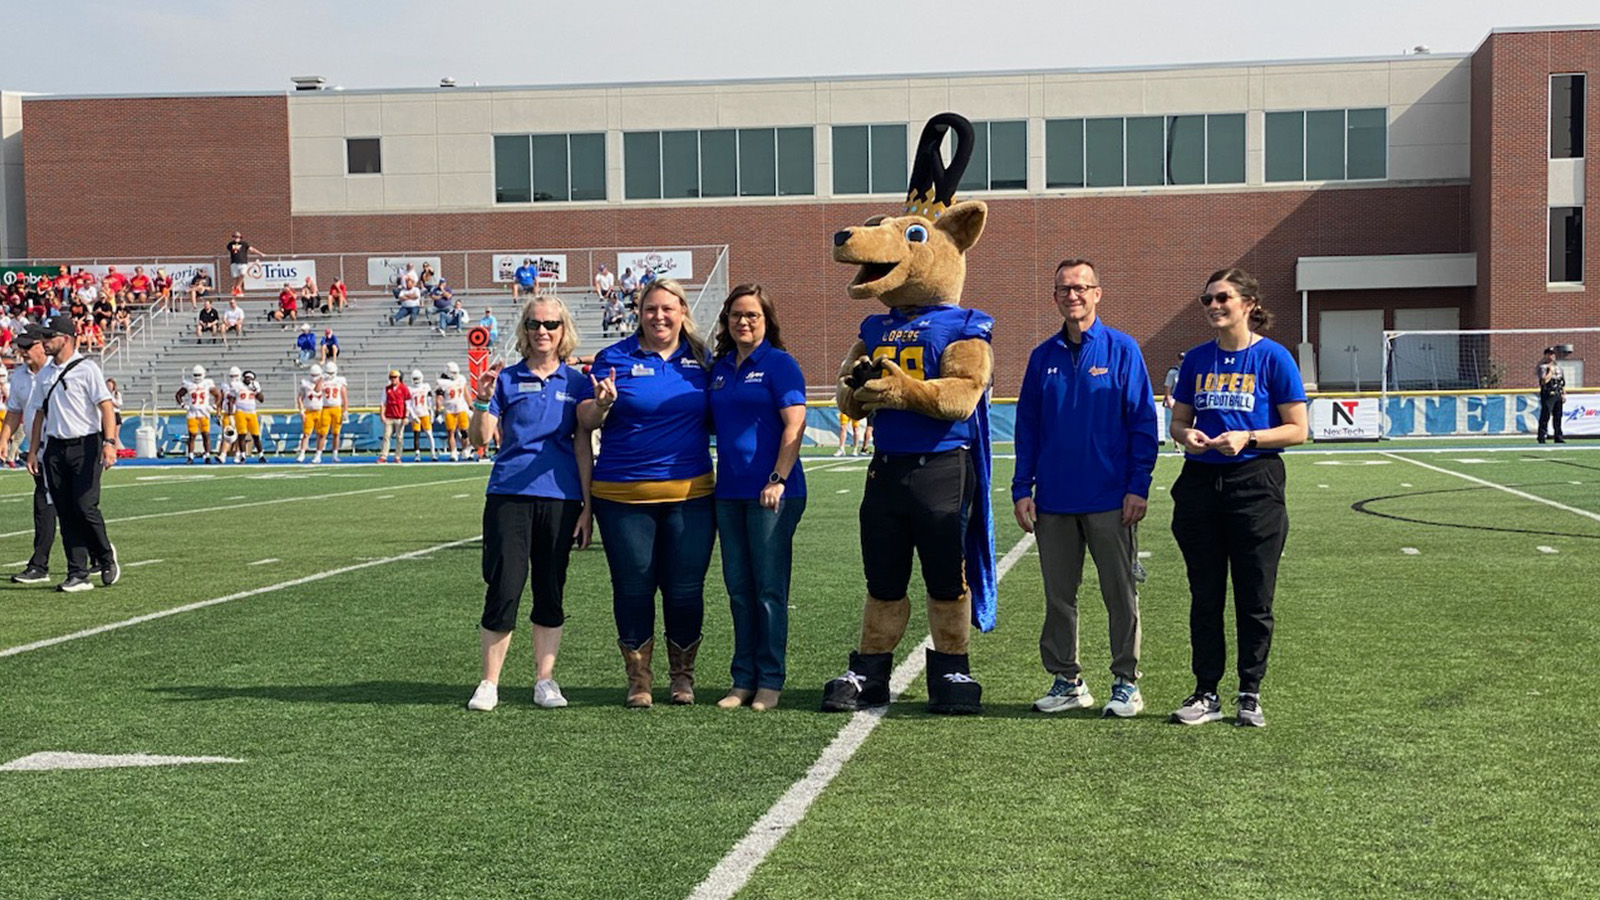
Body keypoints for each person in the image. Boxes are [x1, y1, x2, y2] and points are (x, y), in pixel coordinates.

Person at [1013, 259, 1159, 718]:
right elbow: (1027, 429)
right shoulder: (1042, 357)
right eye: (1063, 289)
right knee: (1059, 596)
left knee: (1119, 593)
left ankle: (1125, 681)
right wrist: (1022, 488)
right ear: (1054, 297)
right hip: (1054, 501)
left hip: (1111, 499)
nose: (1072, 295)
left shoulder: (1123, 349)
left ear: (1098, 293)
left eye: (1080, 287)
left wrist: (1138, 485)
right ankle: (1067, 680)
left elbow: (1141, 422)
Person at [1168, 267, 1308, 728]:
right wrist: (1187, 434)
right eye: (1207, 299)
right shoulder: (1196, 360)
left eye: (1222, 298)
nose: (1213, 306)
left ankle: (1250, 691)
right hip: (1200, 484)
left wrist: (1247, 437)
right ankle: (1205, 691)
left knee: (1254, 597)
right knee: (1205, 595)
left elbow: (1298, 430)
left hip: (1256, 484)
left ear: (1248, 303)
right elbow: (1178, 423)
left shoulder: (1274, 358)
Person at [576, 278, 714, 708]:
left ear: (682, 312)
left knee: (685, 589)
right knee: (633, 588)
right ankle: (638, 679)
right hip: (621, 496)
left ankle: (682, 676)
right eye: (650, 308)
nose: (659, 316)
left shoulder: (704, 359)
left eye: (667, 309)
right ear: (639, 312)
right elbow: (584, 419)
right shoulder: (613, 357)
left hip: (691, 493)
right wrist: (601, 403)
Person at [464, 295, 594, 712]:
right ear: (524, 329)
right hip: (509, 495)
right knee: (503, 588)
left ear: (563, 329)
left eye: (551, 324)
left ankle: (545, 680)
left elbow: (582, 447)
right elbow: (480, 439)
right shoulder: (504, 379)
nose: (543, 331)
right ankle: (489, 682)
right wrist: (482, 399)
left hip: (560, 498)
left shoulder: (577, 384)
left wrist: (587, 507)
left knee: (550, 590)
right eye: (536, 324)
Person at [707, 285, 807, 711]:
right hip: (728, 493)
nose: (743, 322)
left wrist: (776, 478)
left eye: (752, 315)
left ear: (767, 320)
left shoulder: (780, 364)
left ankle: (770, 679)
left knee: (768, 590)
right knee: (738, 589)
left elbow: (794, 425)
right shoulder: (719, 368)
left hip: (773, 493)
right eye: (735, 316)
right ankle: (742, 678)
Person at [26, 314, 119, 593]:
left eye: (48, 337)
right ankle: (77, 573)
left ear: (64, 339)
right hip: (55, 447)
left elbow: (105, 407)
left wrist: (110, 442)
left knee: (84, 506)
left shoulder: (87, 369)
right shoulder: (45, 374)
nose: (43, 342)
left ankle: (104, 554)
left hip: (86, 444)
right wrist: (33, 452)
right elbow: (39, 415)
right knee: (65, 511)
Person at [3, 327, 57, 585]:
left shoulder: (56, 371)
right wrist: (4, 438)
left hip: (66, 445)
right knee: (43, 505)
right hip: (41, 449)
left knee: (77, 507)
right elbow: (15, 410)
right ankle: (39, 564)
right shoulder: (20, 377)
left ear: (42, 345)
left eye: (27, 346)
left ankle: (99, 553)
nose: (22, 352)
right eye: (20, 347)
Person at [175, 364, 219, 463]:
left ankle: (207, 456)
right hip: (192, 412)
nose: (197, 377)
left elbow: (218, 395)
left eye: (199, 375)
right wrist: (183, 405)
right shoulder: (188, 384)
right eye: (195, 375)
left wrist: (214, 406)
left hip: (204, 412)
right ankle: (190, 456)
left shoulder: (208, 383)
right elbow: (178, 395)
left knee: (206, 435)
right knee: (192, 435)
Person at [437, 361, 472, 460]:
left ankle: (465, 450)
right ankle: (453, 452)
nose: (455, 375)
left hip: (461, 408)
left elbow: (465, 393)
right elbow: (439, 398)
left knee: (464, 431)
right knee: (451, 432)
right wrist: (439, 411)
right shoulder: (441, 382)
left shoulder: (461, 379)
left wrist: (470, 405)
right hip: (449, 410)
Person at [232, 370, 267, 462]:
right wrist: (232, 411)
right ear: (243, 377)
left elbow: (261, 399)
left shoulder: (255, 385)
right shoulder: (238, 385)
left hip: (252, 412)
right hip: (240, 412)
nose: (248, 379)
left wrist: (256, 391)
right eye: (247, 377)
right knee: (242, 434)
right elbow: (232, 398)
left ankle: (261, 455)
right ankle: (243, 455)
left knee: (256, 435)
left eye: (250, 378)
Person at [318, 360, 349, 462]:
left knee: (336, 433)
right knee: (323, 434)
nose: (330, 375)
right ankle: (318, 454)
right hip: (325, 408)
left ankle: (335, 454)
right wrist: (321, 379)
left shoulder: (340, 381)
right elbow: (317, 390)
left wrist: (345, 410)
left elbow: (344, 397)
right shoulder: (322, 381)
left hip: (337, 408)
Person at [295, 364, 325, 463]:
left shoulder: (324, 383)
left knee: (320, 434)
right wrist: (301, 411)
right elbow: (299, 398)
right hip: (308, 411)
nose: (314, 377)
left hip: (320, 411)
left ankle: (318, 454)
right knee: (306, 434)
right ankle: (302, 453)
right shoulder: (305, 383)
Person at [407, 369, 439, 461]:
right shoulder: (410, 389)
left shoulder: (426, 386)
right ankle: (417, 454)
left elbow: (429, 402)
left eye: (417, 378)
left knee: (430, 434)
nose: (416, 380)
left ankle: (433, 453)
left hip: (425, 413)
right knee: (416, 435)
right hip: (416, 414)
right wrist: (413, 416)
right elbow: (408, 404)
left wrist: (431, 412)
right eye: (414, 378)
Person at [379, 370, 410, 464]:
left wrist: (406, 416)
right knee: (386, 436)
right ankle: (384, 456)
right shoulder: (387, 389)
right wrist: (382, 415)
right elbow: (382, 403)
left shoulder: (404, 389)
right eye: (391, 377)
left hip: (399, 417)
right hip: (389, 416)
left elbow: (408, 404)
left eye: (395, 377)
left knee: (399, 437)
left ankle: (398, 456)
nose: (393, 379)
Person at [1538, 347, 1567, 444]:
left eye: (1553, 354)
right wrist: (1550, 371)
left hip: (1557, 393)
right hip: (1548, 394)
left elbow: (1562, 382)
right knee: (1545, 416)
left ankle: (1558, 436)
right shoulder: (1543, 367)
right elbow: (1544, 381)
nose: (1552, 356)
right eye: (1550, 354)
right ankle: (1541, 436)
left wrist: (1563, 393)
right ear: (1546, 355)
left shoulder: (1559, 368)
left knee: (1558, 416)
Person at [227, 231, 264, 296]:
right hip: (234, 262)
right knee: (236, 277)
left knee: (242, 274)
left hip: (243, 262)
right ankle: (238, 290)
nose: (236, 238)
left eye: (238, 237)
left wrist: (260, 253)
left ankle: (236, 287)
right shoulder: (230, 244)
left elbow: (251, 249)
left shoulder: (244, 244)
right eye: (235, 237)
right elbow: (231, 250)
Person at [1162, 352, 1185, 451]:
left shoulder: (1189, 371)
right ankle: (1176, 445)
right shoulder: (1173, 372)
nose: (1182, 360)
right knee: (1176, 422)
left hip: (1186, 399)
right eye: (1181, 358)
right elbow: (1168, 386)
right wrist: (1168, 399)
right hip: (1175, 398)